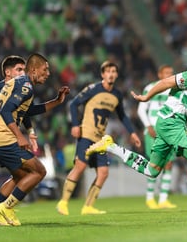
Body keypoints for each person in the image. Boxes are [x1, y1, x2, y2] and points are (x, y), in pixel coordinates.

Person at [87, 47, 187, 221]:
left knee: (152, 170)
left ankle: (110, 146)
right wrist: (147, 97)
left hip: (177, 124)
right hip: (170, 120)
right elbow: (167, 82)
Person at [0, 53, 70, 226]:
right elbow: (6, 111)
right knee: (40, 171)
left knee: (21, 175)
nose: (48, 73)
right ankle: (6, 208)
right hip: (3, 137)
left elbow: (28, 111)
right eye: (45, 69)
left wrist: (57, 101)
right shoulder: (26, 86)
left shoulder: (21, 84)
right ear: (34, 69)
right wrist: (20, 136)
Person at [56, 61, 141, 216]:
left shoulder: (117, 94)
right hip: (86, 134)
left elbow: (122, 115)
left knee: (103, 172)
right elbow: (74, 104)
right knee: (80, 167)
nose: (111, 74)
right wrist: (75, 125)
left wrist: (132, 133)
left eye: (114, 71)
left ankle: (88, 207)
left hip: (100, 140)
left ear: (116, 74)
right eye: (108, 71)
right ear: (102, 74)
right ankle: (63, 202)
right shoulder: (93, 89)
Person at [0, 55, 39, 225]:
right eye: (19, 70)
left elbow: (24, 113)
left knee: (20, 175)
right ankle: (0, 210)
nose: (23, 73)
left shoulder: (19, 90)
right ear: (8, 72)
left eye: (24, 70)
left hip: (0, 139)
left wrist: (31, 131)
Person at [137, 65, 177, 209]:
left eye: (171, 72)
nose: (169, 74)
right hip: (153, 130)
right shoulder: (150, 87)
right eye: (166, 72)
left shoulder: (176, 88)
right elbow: (141, 109)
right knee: (153, 165)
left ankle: (163, 199)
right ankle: (149, 198)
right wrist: (148, 126)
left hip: (169, 131)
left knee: (168, 164)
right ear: (159, 74)